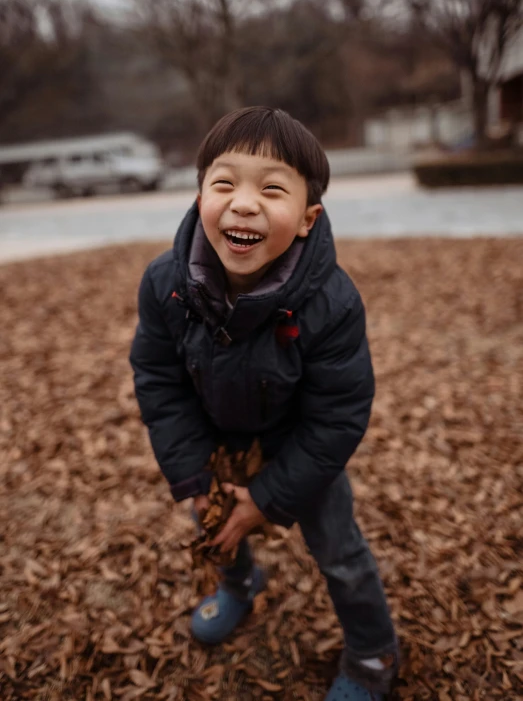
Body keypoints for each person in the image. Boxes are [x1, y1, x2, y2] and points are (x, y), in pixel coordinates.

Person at [129, 107, 400, 700]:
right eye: (223, 183)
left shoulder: (332, 303)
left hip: (298, 443)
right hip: (212, 435)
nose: (244, 203)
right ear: (199, 194)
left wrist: (270, 497)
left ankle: (373, 651)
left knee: (340, 554)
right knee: (215, 521)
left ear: (307, 218)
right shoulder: (165, 284)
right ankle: (240, 580)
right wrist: (190, 469)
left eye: (271, 189)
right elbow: (156, 376)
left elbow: (339, 414)